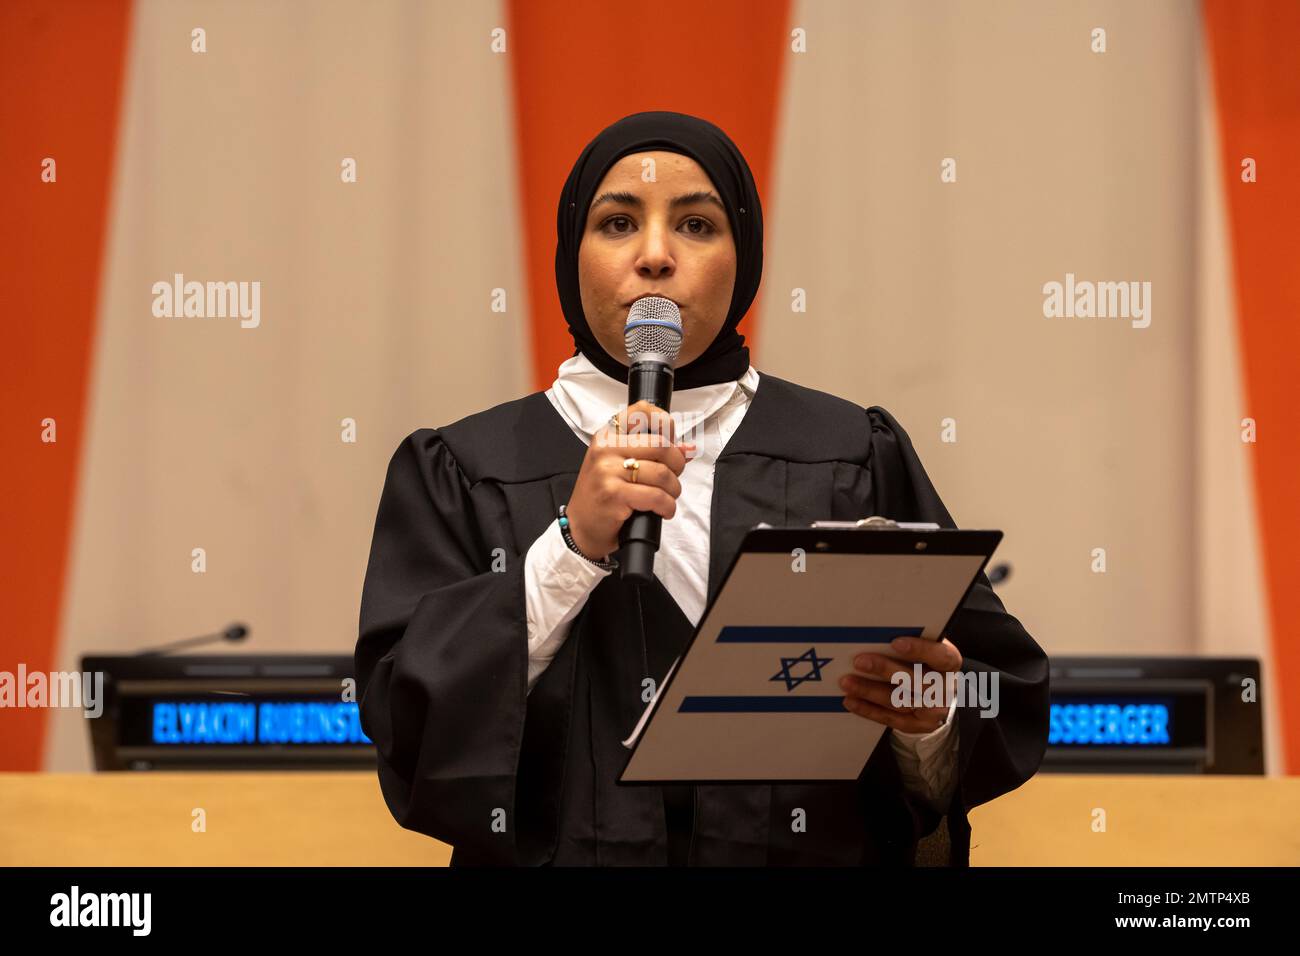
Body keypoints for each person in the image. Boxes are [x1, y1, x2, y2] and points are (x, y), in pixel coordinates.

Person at [355, 110, 1049, 866]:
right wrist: (571, 547)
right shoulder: (467, 466)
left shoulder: (850, 453)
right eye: (618, 223)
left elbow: (996, 694)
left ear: (743, 254)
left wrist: (927, 718)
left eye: (695, 224)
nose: (655, 256)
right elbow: (405, 721)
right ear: (569, 255)